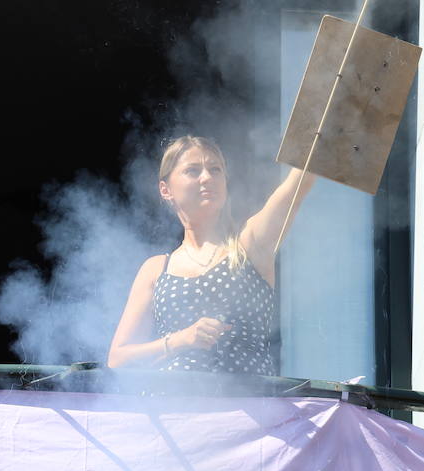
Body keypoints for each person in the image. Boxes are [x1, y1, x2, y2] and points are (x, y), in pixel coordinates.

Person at [108, 135, 314, 375]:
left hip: (248, 407)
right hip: (171, 406)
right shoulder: (156, 269)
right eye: (193, 171)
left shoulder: (249, 245)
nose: (207, 177)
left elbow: (295, 188)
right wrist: (180, 340)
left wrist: (325, 128)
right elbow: (118, 359)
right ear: (166, 189)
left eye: (215, 170)